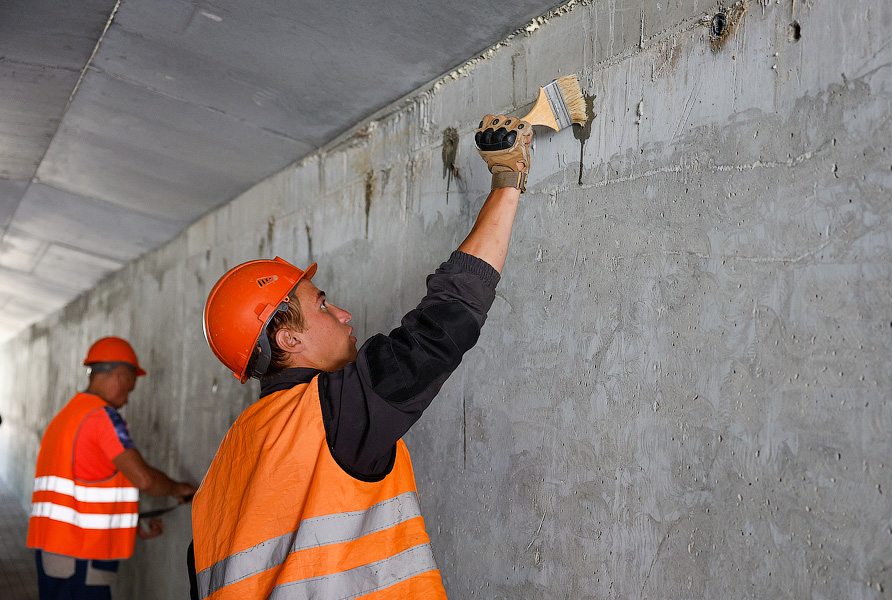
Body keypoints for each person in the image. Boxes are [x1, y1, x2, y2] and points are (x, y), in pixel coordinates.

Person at [190, 114, 533, 599]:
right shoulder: (327, 415)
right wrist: (507, 182)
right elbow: (443, 325)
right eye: (323, 305)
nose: (345, 314)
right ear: (288, 341)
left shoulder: (218, 477)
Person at [27, 336, 197, 600]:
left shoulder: (67, 416)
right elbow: (143, 479)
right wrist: (179, 489)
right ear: (119, 376)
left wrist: (130, 523)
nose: (127, 399)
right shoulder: (101, 416)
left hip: (55, 552)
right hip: (81, 557)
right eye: (129, 389)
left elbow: (85, 485)